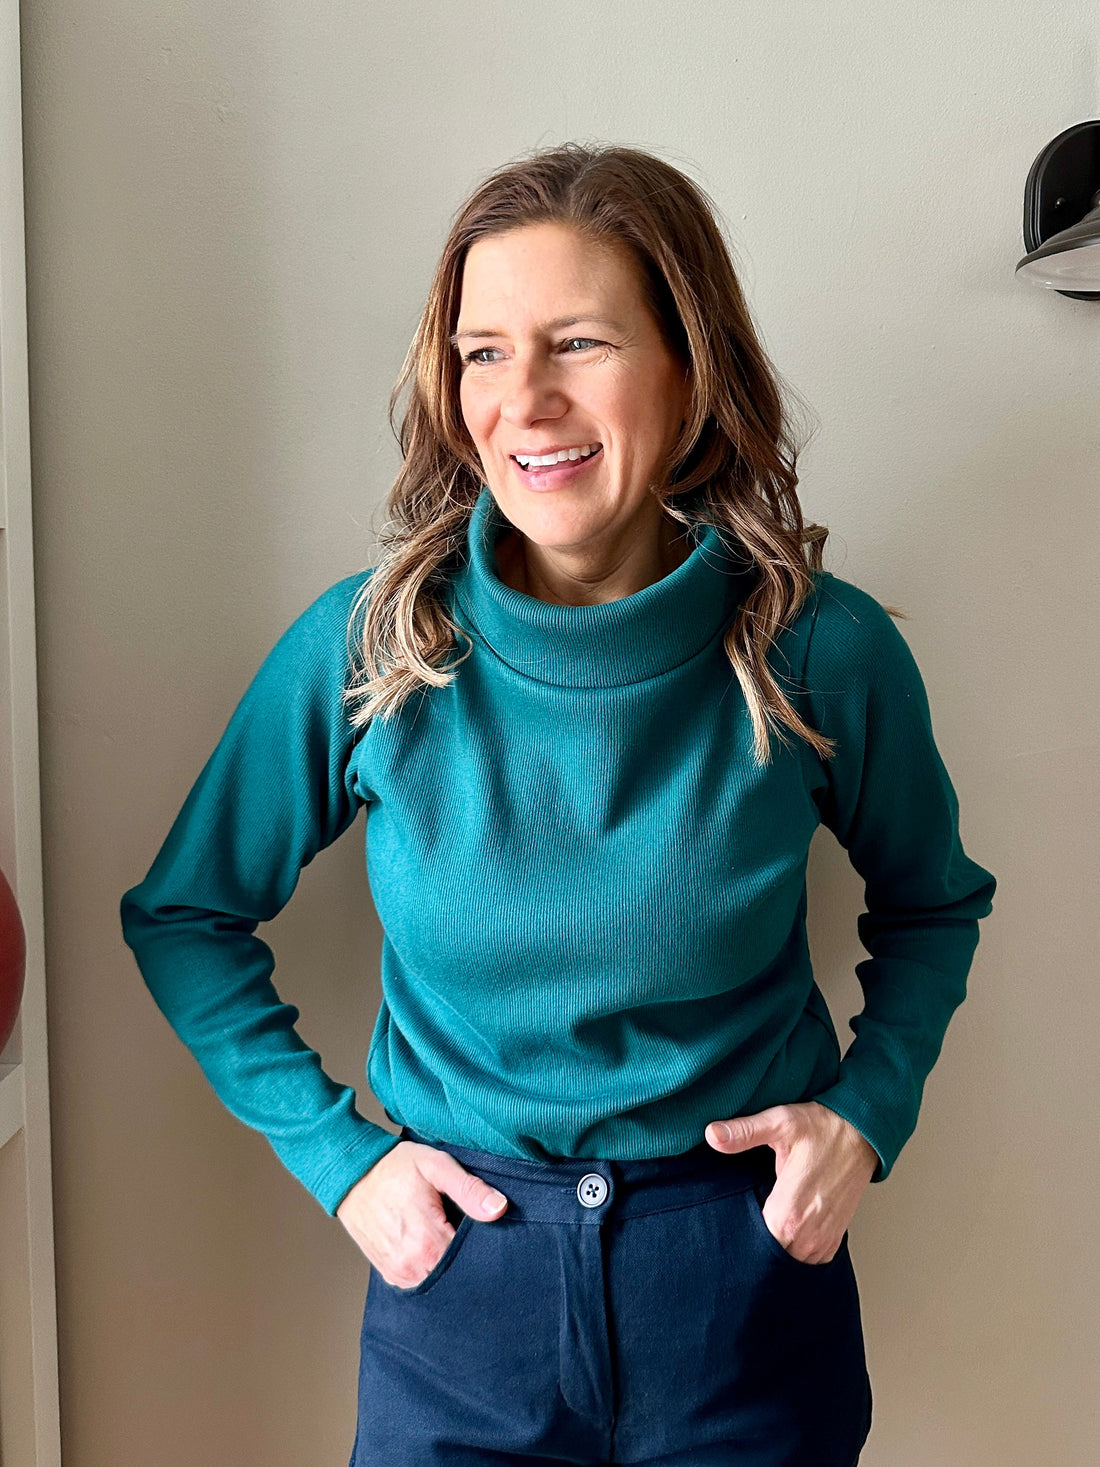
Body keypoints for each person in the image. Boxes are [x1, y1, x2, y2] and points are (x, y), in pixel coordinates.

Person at [119, 142, 997, 1466]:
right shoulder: (374, 649)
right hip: (462, 1291)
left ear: (692, 369)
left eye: (579, 343)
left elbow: (934, 905)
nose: (524, 401)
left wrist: (868, 1115)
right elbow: (185, 915)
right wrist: (339, 1161)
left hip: (744, 1286)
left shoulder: (820, 650)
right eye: (483, 353)